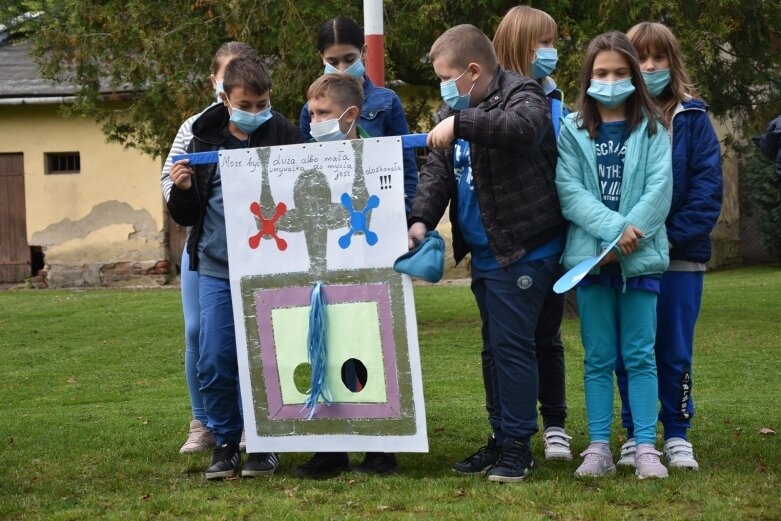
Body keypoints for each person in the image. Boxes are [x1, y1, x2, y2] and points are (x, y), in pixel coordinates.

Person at [409, 24, 567, 483]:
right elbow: (438, 170)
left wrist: (460, 123)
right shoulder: (452, 110)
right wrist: (420, 218)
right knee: (495, 349)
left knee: (513, 348)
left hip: (526, 249)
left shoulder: (524, 94)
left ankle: (518, 445)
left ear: (473, 71)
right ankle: (501, 438)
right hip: (486, 252)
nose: (443, 88)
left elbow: (522, 131)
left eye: (446, 77)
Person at [167, 56, 305, 479]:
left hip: (271, 269)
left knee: (268, 359)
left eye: (262, 102)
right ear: (226, 99)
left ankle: (265, 445)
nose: (255, 110)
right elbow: (187, 216)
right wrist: (182, 189)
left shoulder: (284, 133)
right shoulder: (202, 137)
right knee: (214, 358)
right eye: (246, 103)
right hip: (216, 268)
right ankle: (225, 442)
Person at [555, 31, 672, 479]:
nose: (611, 80)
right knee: (598, 356)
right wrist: (612, 234)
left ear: (635, 77)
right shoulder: (572, 129)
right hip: (592, 262)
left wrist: (629, 236)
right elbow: (570, 191)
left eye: (621, 73)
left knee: (641, 356)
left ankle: (645, 447)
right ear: (588, 77)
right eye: (602, 72)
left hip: (640, 259)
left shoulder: (654, 125)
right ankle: (599, 448)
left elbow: (660, 190)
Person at [614, 22, 723, 472]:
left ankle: (677, 433)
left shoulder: (693, 119)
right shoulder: (615, 121)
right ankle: (634, 433)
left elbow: (706, 190)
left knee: (674, 350)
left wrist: (665, 236)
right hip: (629, 258)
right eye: (642, 58)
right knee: (628, 351)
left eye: (659, 58)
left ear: (672, 63)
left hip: (680, 258)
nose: (651, 66)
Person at [291, 73, 400, 479]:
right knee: (325, 350)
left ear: (350, 114)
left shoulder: (378, 155)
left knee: (367, 352)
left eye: (322, 113)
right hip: (319, 277)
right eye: (311, 112)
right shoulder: (301, 158)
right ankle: (330, 449)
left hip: (370, 274)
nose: (313, 120)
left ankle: (379, 445)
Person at [161, 41, 257, 456]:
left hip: (257, 249)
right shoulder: (193, 128)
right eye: (226, 74)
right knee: (198, 332)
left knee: (248, 334)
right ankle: (202, 420)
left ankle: (251, 420)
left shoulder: (264, 123)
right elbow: (169, 182)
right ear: (216, 83)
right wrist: (182, 190)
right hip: (205, 249)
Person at [490, 4, 571, 462]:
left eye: (552, 42)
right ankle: (505, 431)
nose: (551, 52)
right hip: (512, 242)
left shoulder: (557, 98)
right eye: (543, 43)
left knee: (547, 336)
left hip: (555, 238)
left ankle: (555, 423)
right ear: (520, 45)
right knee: (508, 342)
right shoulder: (493, 99)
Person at [299, 15, 418, 215]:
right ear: (321, 58)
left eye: (349, 59)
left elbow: (406, 170)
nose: (342, 69)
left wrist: (406, 218)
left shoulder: (387, 102)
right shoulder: (309, 110)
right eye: (333, 61)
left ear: (363, 52)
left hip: (381, 213)